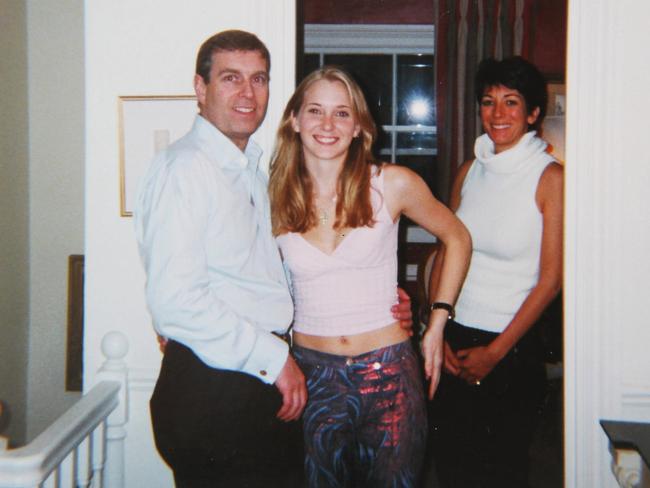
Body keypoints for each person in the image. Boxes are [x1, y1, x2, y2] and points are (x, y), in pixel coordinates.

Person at [134, 30, 413, 487]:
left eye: (259, 79)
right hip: (218, 385)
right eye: (230, 78)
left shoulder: (250, 170)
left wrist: (382, 295)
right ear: (200, 89)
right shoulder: (186, 168)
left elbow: (263, 272)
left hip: (248, 380)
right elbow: (175, 299)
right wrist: (274, 357)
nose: (247, 93)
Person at [268, 66, 471, 487]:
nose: (327, 125)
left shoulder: (392, 184)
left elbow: (457, 237)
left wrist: (436, 323)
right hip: (312, 377)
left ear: (359, 126)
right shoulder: (270, 195)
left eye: (342, 113)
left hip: (390, 376)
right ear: (294, 120)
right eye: (315, 111)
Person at [428, 56, 564, 487]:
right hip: (455, 338)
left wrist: (497, 352)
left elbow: (551, 279)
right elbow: (445, 252)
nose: (498, 114)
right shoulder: (470, 170)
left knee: (501, 472)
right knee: (450, 466)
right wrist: (440, 328)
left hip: (511, 349)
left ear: (533, 113)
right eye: (489, 102)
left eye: (511, 102)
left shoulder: (551, 178)